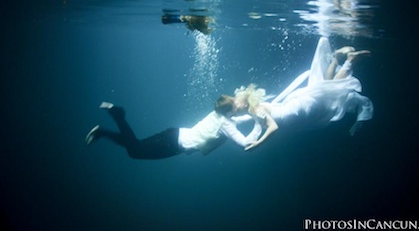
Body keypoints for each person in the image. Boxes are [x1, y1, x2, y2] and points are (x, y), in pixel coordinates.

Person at [232, 37, 374, 151]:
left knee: (331, 94)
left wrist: (259, 143)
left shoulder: (257, 110)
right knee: (324, 89)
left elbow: (273, 127)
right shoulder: (254, 108)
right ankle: (336, 58)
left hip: (299, 110)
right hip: (298, 107)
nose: (235, 110)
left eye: (236, 108)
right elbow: (251, 121)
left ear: (245, 103)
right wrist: (236, 122)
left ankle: (349, 60)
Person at [85, 95, 261, 159]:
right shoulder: (226, 124)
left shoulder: (219, 114)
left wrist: (253, 116)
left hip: (174, 135)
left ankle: (108, 125)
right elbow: (244, 143)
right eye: (236, 109)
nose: (238, 110)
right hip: (173, 144)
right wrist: (259, 125)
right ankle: (116, 116)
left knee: (135, 148)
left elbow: (240, 119)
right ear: (230, 112)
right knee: (134, 150)